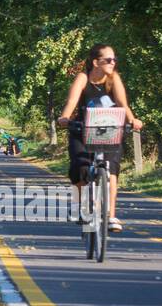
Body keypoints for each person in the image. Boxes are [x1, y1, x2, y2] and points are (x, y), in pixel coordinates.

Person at [57, 44, 143, 232]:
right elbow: (72, 102)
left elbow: (123, 104)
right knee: (79, 168)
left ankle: (111, 216)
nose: (113, 63)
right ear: (96, 62)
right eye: (109, 60)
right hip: (83, 129)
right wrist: (65, 118)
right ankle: (80, 207)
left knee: (111, 171)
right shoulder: (83, 78)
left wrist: (132, 119)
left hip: (109, 130)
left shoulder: (114, 79)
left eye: (114, 60)